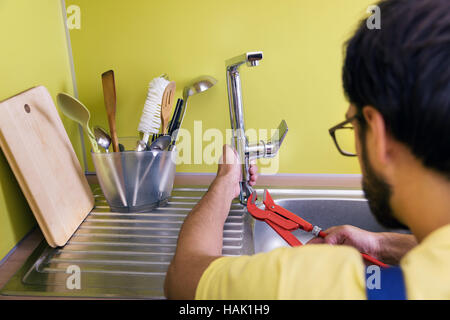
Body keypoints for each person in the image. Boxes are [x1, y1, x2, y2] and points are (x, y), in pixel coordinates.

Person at [165, 0, 450, 299]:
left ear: (377, 136)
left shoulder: (320, 286)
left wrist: (224, 183)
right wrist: (379, 245)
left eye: (351, 125)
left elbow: (183, 278)